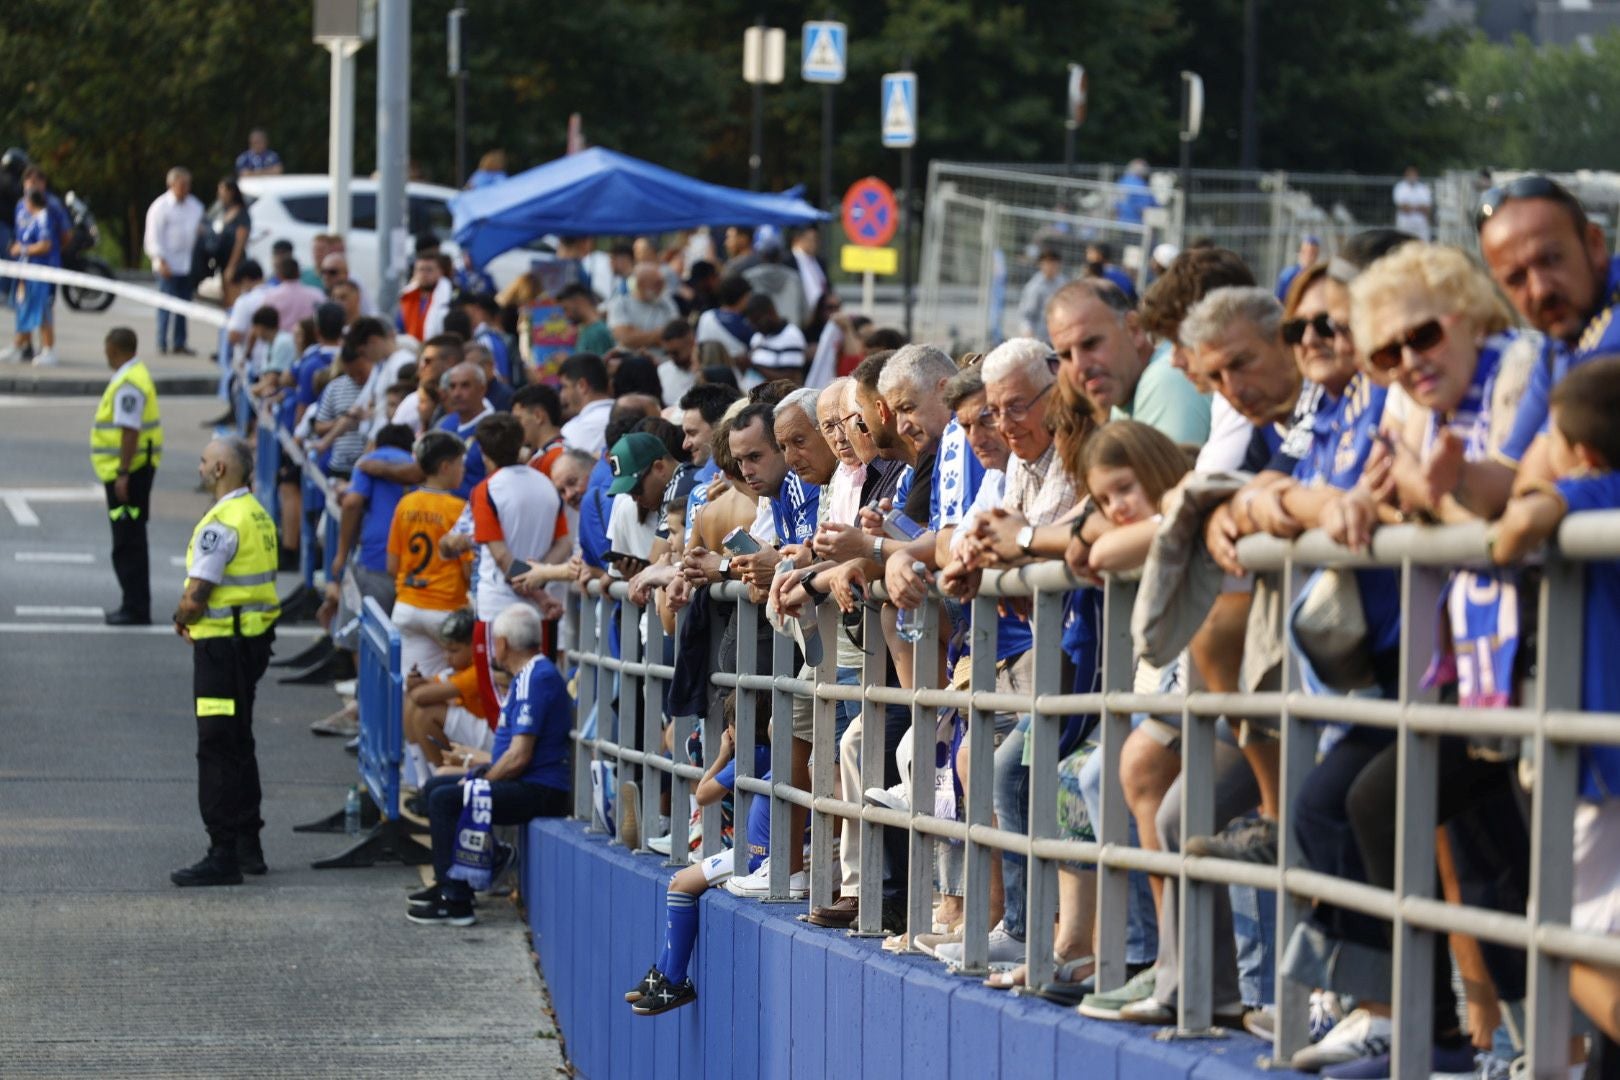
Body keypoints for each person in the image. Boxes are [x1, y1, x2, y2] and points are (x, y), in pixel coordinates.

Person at [1489, 356, 1620, 1048]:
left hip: (1601, 765)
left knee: (1562, 936)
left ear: (1585, 456)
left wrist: (1538, 497)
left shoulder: (1598, 492)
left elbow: (1514, 530)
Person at [408, 604, 572, 926]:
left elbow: (519, 757)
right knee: (434, 788)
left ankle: (454, 902)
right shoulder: (531, 675)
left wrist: (481, 781)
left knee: (446, 799)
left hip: (540, 789)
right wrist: (477, 767)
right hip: (529, 782)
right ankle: (456, 881)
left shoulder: (535, 679)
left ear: (501, 645)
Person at [169, 436, 281, 887]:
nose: (198, 468)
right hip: (248, 644)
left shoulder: (222, 522)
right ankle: (248, 845)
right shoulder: (256, 512)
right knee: (238, 740)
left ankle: (222, 852)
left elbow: (197, 594)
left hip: (221, 653)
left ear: (220, 471)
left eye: (203, 461)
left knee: (216, 746)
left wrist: (181, 618)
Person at [1046, 278, 1209, 444]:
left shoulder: (1165, 377)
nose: (1079, 365)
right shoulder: (1124, 398)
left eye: (1090, 344)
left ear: (1134, 329)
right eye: (1066, 355)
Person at [93, 327, 163, 625]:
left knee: (128, 540)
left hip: (129, 474)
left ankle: (134, 607)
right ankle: (134, 603)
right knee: (130, 538)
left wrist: (122, 472)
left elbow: (129, 431)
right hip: (133, 471)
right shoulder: (136, 375)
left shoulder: (128, 383)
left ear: (114, 349)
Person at [388, 430, 471, 679]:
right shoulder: (458, 509)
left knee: (410, 685)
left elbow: (392, 564)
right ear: (445, 466)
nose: (463, 471)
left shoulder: (406, 503)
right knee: (449, 687)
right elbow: (467, 569)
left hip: (407, 604)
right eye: (460, 464)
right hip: (446, 607)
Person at [143, 167, 205, 355]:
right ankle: (161, 341)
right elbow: (153, 237)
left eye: (188, 185)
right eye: (182, 184)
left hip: (187, 264)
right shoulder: (160, 207)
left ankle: (179, 342)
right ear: (172, 184)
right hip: (167, 264)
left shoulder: (195, 206)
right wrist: (160, 260)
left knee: (183, 305)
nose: (185, 188)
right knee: (165, 304)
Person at [9, 189, 58, 365]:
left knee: (42, 310)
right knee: (24, 307)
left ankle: (48, 349)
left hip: (40, 271)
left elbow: (45, 244)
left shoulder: (43, 217)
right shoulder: (30, 218)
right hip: (26, 270)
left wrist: (22, 249)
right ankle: (19, 345)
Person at [607, 262, 680, 353]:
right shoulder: (620, 303)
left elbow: (677, 336)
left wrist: (638, 334)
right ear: (640, 284)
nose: (661, 287)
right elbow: (625, 338)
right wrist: (660, 335)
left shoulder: (667, 303)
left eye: (662, 282)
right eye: (656, 283)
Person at [558, 352, 614, 454]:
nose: (562, 395)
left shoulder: (574, 430)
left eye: (565, 386)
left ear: (582, 385)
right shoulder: (632, 414)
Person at [745, 294, 807, 385]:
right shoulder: (758, 337)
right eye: (751, 322)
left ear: (771, 312)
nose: (754, 326)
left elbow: (789, 379)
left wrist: (755, 367)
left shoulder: (791, 336)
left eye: (757, 320)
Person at [213, 178, 251, 308]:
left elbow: (240, 241)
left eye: (222, 190)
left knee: (233, 297)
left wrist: (232, 266)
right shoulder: (223, 211)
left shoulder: (241, 214)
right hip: (223, 260)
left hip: (235, 261)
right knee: (225, 297)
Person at [262, 255, 326, 331]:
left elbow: (265, 323)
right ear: (299, 273)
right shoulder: (317, 294)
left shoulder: (270, 297)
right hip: (309, 339)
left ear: (279, 275)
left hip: (281, 340)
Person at [398, 252, 451, 342]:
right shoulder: (407, 298)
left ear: (440, 272)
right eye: (420, 270)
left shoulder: (449, 299)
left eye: (429, 270)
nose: (424, 274)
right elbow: (400, 328)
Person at [1018, 248, 1066, 340]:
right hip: (1039, 338)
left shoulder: (1064, 284)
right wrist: (1028, 332)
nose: (1051, 266)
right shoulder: (1034, 286)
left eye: (1054, 263)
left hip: (1060, 337)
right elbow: (1026, 315)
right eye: (1047, 263)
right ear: (1041, 264)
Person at [790, 226, 831, 325]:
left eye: (816, 240)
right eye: (811, 240)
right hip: (798, 312)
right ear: (799, 239)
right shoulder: (789, 261)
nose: (814, 244)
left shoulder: (819, 262)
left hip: (819, 314)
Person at [658, 319, 698, 405]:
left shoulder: (710, 370)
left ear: (691, 342)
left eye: (675, 353)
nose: (671, 357)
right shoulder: (662, 371)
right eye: (667, 353)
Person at [1274, 235, 1320, 302]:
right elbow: (1279, 300)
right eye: (1305, 251)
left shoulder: (1320, 276)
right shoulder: (1288, 275)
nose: (1309, 256)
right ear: (1300, 252)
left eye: (1313, 253)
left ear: (1317, 254)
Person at [1392, 165, 1432, 241]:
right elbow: (1403, 207)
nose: (1412, 176)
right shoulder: (1400, 187)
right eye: (1410, 174)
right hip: (1405, 224)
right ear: (1406, 175)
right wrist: (1419, 207)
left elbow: (1427, 208)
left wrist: (1411, 207)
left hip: (1420, 225)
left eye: (1414, 174)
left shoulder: (1423, 188)